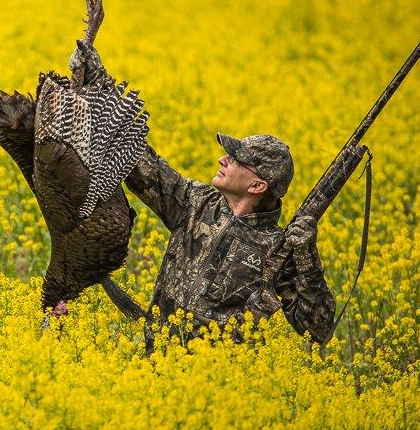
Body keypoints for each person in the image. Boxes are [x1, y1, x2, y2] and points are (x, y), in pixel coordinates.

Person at [124, 132, 337, 350]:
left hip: (218, 376)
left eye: (235, 159)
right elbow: (143, 167)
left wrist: (306, 257)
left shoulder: (277, 249)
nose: (222, 159)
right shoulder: (197, 204)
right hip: (154, 361)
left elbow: (318, 331)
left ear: (257, 186)